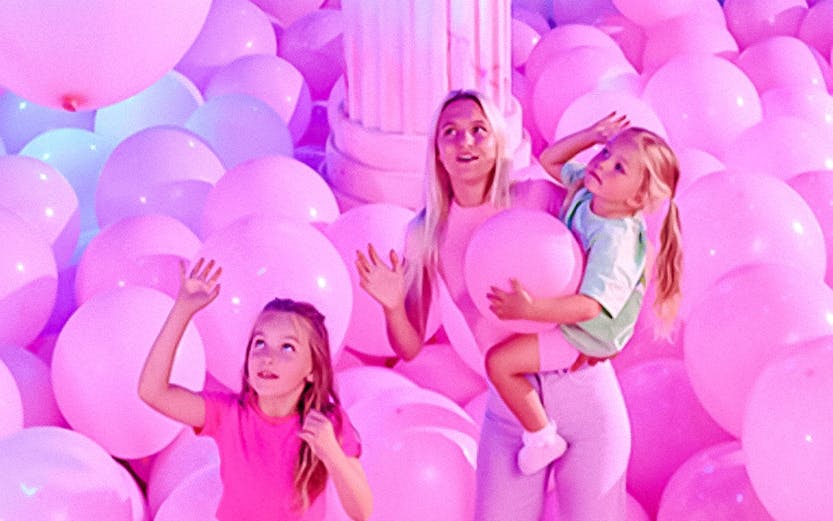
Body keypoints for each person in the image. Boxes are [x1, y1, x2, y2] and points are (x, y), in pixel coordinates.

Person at [355, 90, 632, 521]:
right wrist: (392, 305)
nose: (465, 141)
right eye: (451, 132)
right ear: (437, 151)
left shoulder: (538, 197)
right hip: (511, 409)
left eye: (478, 130)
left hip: (586, 394)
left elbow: (613, 244)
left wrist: (612, 332)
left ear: (497, 141)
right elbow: (409, 346)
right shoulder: (424, 234)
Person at [484, 114, 683, 476]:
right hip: (573, 307)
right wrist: (590, 136)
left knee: (500, 363)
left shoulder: (615, 240)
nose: (602, 163)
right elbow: (550, 161)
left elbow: (590, 307)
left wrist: (531, 309)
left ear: (638, 196)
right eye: (605, 153)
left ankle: (542, 437)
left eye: (619, 167)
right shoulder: (589, 193)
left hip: (587, 333)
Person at [138, 258, 372, 521]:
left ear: (312, 370)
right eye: (260, 343)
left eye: (287, 347)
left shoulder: (328, 422)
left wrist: (332, 453)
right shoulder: (227, 414)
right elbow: (152, 392)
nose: (267, 357)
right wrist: (182, 310)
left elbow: (361, 511)